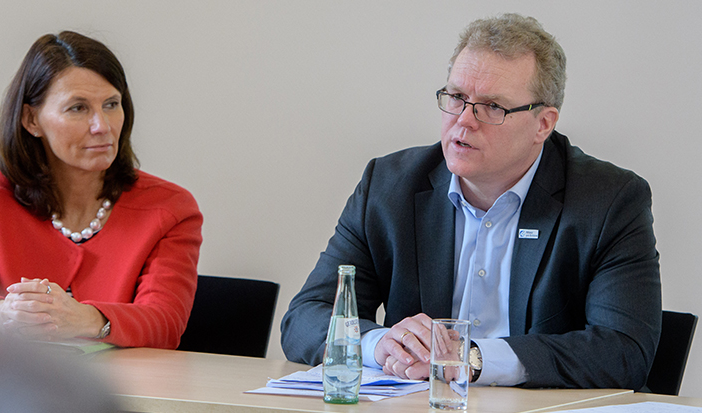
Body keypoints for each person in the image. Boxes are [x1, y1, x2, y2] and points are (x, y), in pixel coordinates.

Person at [281, 13, 661, 390]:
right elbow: (306, 317)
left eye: (492, 107)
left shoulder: (609, 201)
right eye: (457, 97)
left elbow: (624, 350)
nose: (464, 120)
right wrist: (380, 344)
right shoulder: (389, 186)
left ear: (543, 124)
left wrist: (472, 359)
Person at [0, 31, 203, 349]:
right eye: (78, 108)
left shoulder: (171, 208)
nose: (102, 126)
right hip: (19, 389)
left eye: (111, 104)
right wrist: (4, 313)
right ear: (31, 119)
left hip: (128, 392)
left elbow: (164, 323)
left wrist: (86, 319)